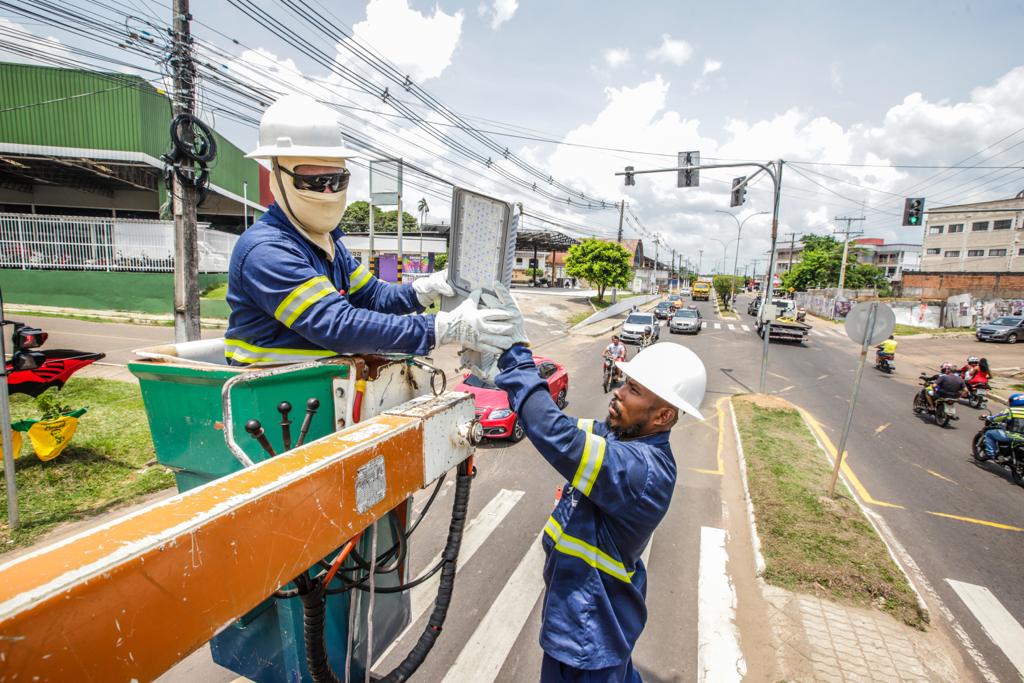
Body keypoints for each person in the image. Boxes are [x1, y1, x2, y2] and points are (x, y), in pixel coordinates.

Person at [485, 290, 707, 682]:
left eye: (634, 391)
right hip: (575, 623)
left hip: (590, 633)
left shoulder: (642, 469)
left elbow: (561, 441)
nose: (617, 392)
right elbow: (559, 427)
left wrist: (516, 355)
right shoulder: (619, 439)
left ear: (663, 415)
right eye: (624, 382)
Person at [225, 94, 512, 364]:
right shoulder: (266, 250)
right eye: (313, 182)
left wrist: (422, 290)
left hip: (325, 391)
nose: (327, 191)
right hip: (270, 399)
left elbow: (375, 297)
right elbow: (337, 325)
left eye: (337, 180)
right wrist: (440, 327)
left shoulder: (329, 246)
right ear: (277, 175)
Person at [982, 393, 1024, 460]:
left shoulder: (1011, 410)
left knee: (989, 433)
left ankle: (990, 454)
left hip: (1012, 436)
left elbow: (996, 418)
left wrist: (987, 417)